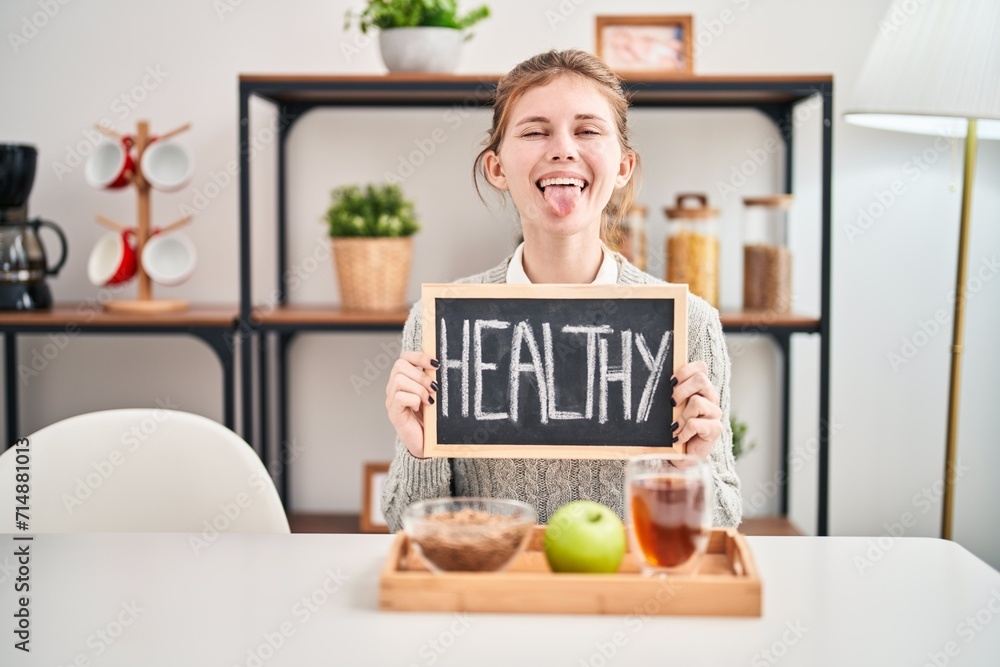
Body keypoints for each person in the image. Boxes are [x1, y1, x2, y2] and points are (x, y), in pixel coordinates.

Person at [382, 49, 741, 531]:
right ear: (496, 168)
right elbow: (406, 528)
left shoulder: (691, 325)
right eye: (534, 131)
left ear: (623, 168)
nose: (563, 149)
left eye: (588, 130)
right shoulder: (437, 323)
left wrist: (688, 468)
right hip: (495, 594)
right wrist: (417, 450)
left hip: (630, 598)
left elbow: (720, 527)